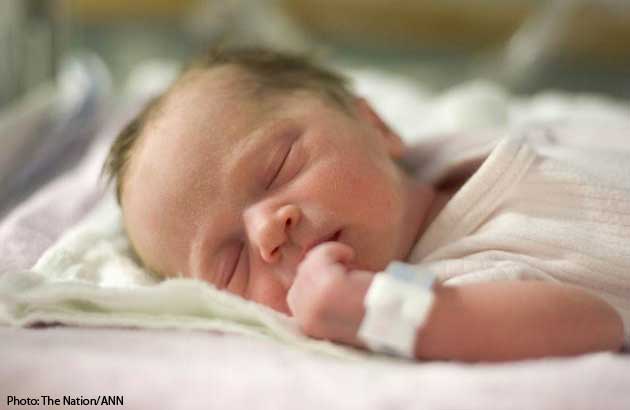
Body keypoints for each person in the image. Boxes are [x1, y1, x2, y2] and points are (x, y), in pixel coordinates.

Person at [103, 47, 627, 362]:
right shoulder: (447, 291)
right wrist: (375, 311)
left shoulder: (456, 151)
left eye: (278, 167)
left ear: (376, 125)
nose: (267, 231)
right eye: (231, 263)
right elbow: (590, 326)